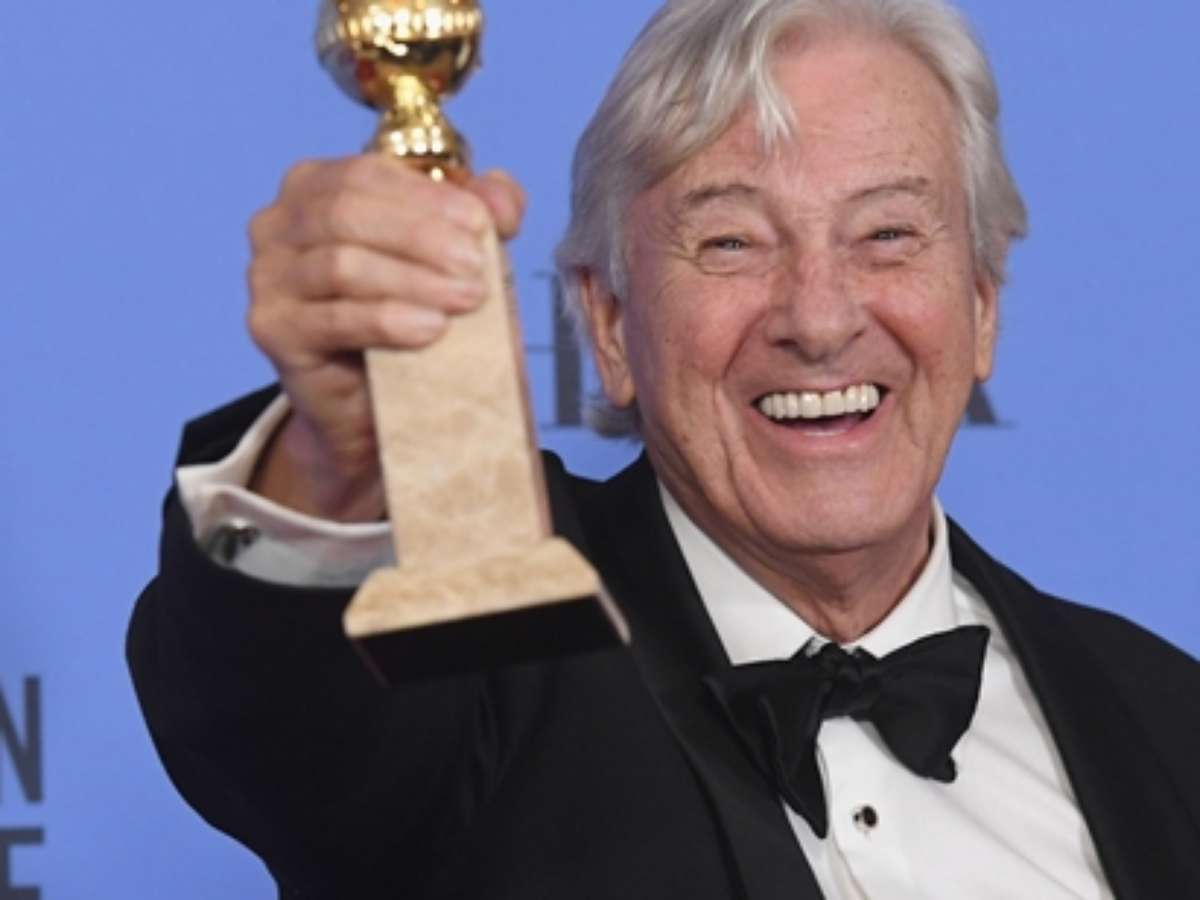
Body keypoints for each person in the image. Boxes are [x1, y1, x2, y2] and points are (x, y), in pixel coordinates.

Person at [128, 0, 1200, 897]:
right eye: (731, 241)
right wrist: (336, 462)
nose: (819, 318)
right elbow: (276, 715)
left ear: (981, 305)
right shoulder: (489, 651)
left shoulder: (1166, 718)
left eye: (887, 234)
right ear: (607, 323)